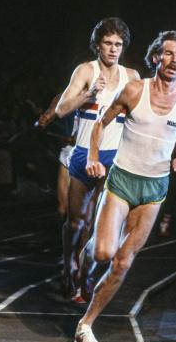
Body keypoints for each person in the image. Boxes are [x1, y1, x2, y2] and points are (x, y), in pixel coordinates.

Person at [76, 30, 176, 342]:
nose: (174, 61)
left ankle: (85, 324)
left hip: (154, 190)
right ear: (157, 57)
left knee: (122, 262)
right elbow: (101, 123)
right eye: (169, 54)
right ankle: (88, 255)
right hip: (121, 181)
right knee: (103, 252)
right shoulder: (134, 90)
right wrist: (93, 157)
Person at [38, 18, 140, 300]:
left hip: (113, 157)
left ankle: (85, 276)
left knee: (99, 223)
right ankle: (68, 264)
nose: (113, 49)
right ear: (98, 45)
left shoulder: (131, 76)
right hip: (83, 152)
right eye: (108, 43)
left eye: (118, 44)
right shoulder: (86, 70)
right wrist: (88, 94)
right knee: (75, 221)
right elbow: (60, 109)